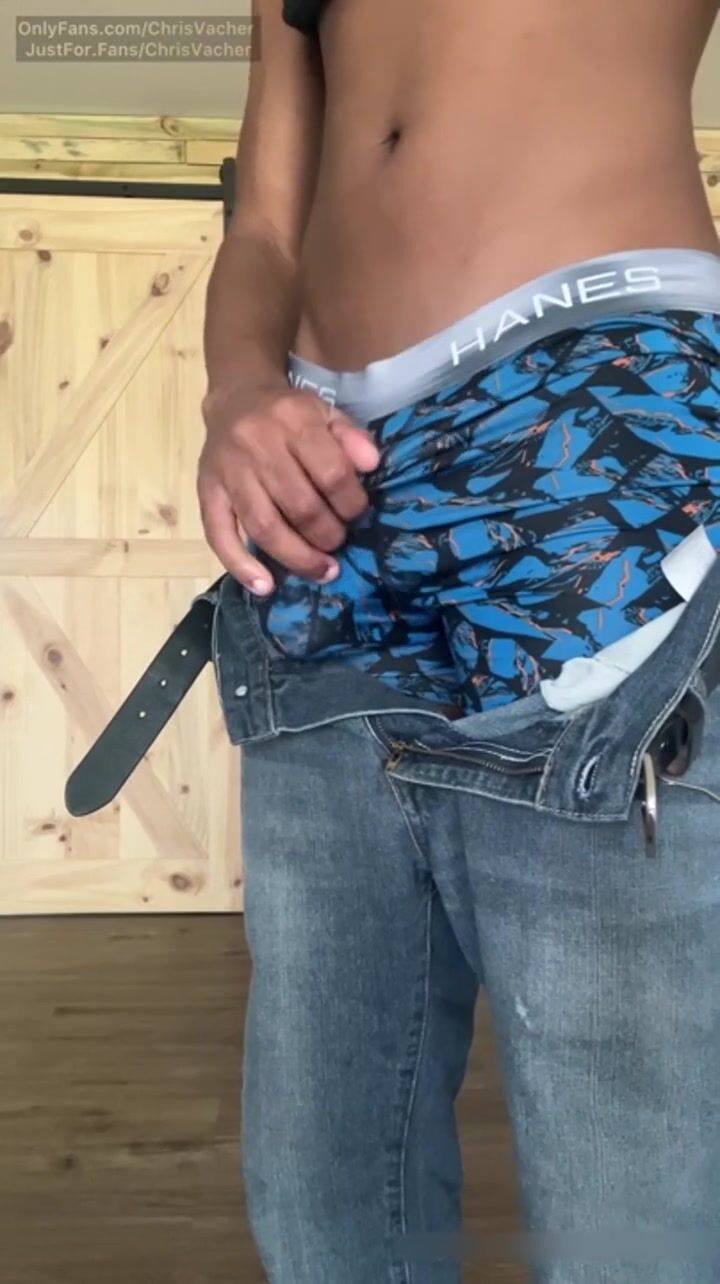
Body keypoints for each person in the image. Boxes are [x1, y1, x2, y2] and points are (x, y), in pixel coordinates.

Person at [196, 1, 720, 1280]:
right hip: (325, 464)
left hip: (599, 401)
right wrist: (238, 391)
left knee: (627, 1187)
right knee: (323, 1183)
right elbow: (265, 223)